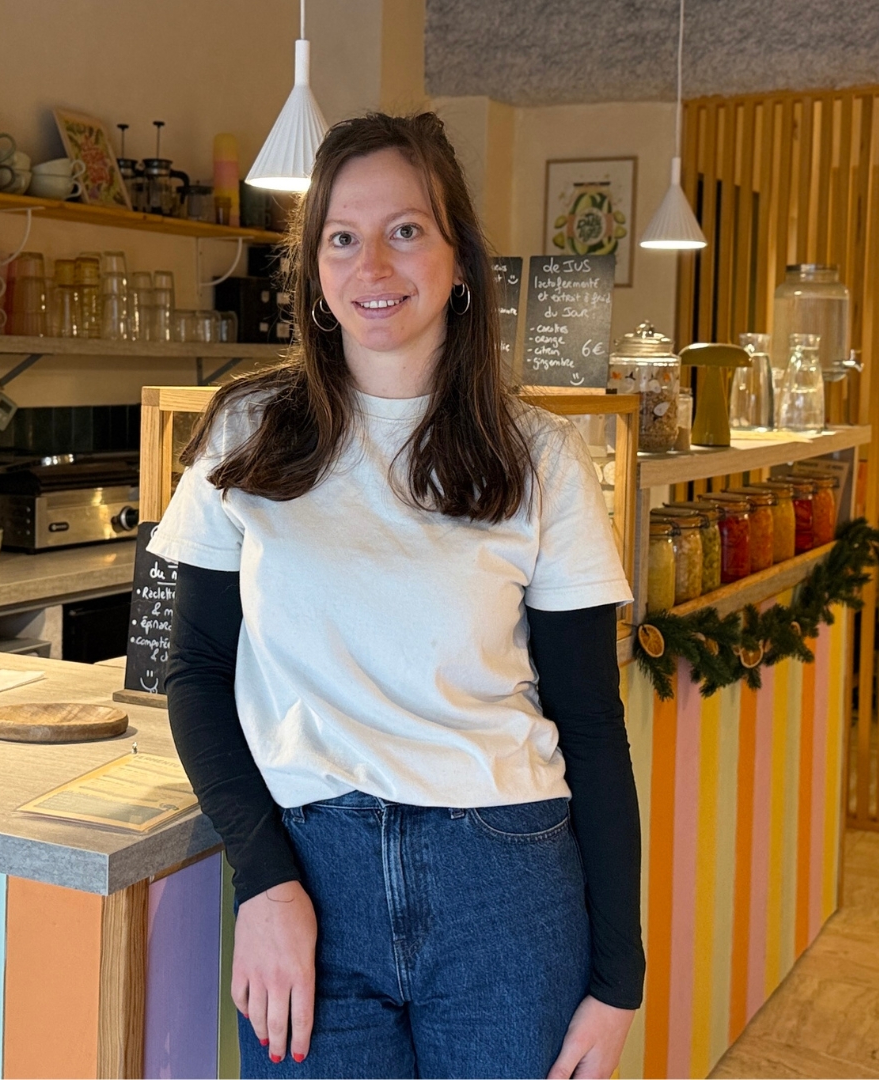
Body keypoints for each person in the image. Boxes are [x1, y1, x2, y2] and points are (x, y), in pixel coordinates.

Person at [151, 112, 644, 1080]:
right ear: (316, 273)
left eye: (406, 230)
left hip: (506, 890)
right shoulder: (247, 434)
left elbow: (591, 722)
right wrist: (265, 881)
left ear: (460, 261)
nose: (372, 262)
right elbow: (193, 671)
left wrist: (618, 975)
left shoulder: (540, 459)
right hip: (309, 881)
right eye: (343, 236)